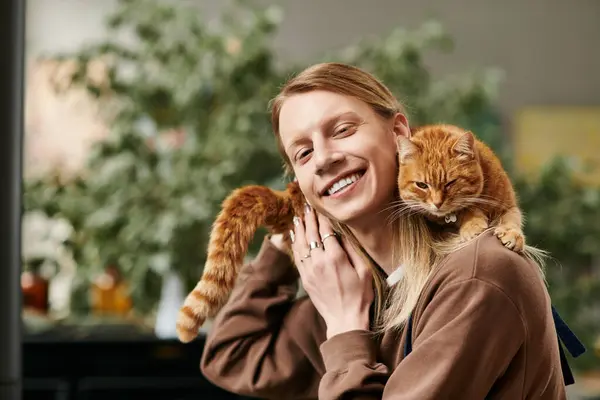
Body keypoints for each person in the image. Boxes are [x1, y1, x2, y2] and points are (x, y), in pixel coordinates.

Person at [199, 62, 582, 399]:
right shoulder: (361, 289)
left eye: (343, 129)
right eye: (303, 153)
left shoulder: (479, 275)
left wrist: (346, 332)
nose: (324, 159)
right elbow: (230, 358)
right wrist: (288, 243)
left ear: (399, 134)